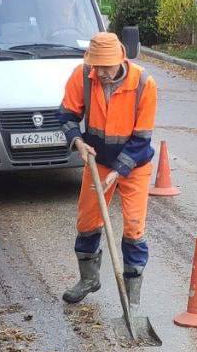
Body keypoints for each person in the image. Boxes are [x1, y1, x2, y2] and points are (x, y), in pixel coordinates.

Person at [59, 32, 158, 306]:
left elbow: (141, 138)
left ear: (121, 59)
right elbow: (66, 116)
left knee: (134, 227)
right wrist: (77, 141)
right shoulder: (82, 76)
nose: (101, 72)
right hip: (98, 162)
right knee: (87, 221)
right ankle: (89, 279)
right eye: (97, 65)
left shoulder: (143, 83)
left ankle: (132, 300)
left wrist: (119, 171)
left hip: (135, 166)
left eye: (107, 66)